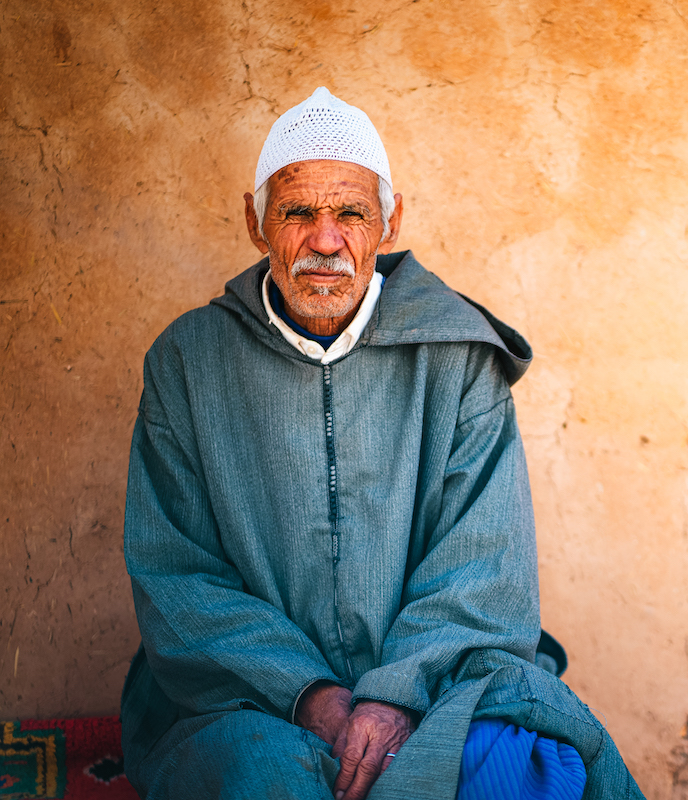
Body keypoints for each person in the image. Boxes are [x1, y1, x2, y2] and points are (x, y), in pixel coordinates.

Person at [120, 87, 643, 800]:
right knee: (261, 775)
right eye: (297, 212)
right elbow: (176, 574)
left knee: (521, 762)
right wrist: (310, 694)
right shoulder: (188, 363)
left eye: (352, 214)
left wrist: (395, 695)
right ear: (255, 222)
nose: (325, 241)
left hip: (438, 683)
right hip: (252, 698)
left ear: (390, 221)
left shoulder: (457, 358)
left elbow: (485, 567)